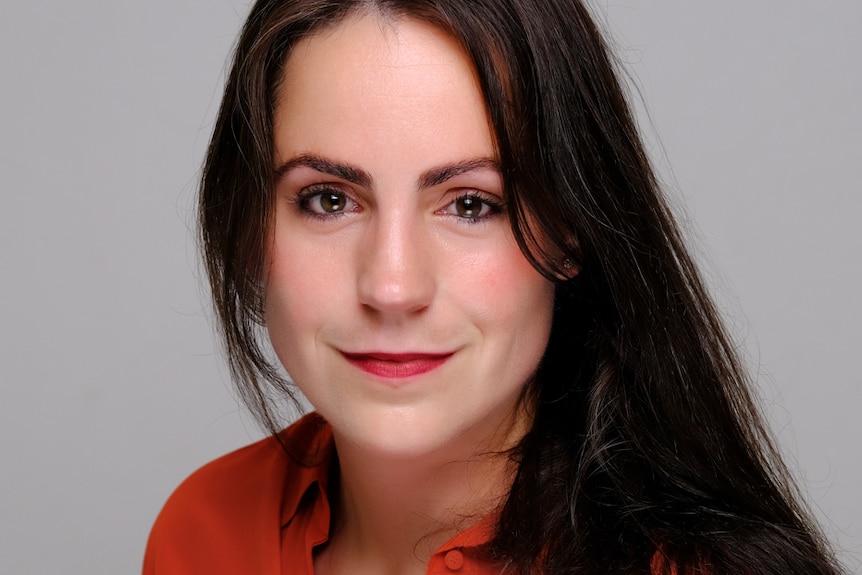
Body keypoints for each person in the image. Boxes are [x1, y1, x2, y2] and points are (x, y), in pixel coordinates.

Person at [143, 1, 846, 574]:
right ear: (248, 228)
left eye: (471, 204)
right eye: (328, 199)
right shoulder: (203, 533)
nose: (392, 285)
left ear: (571, 230)